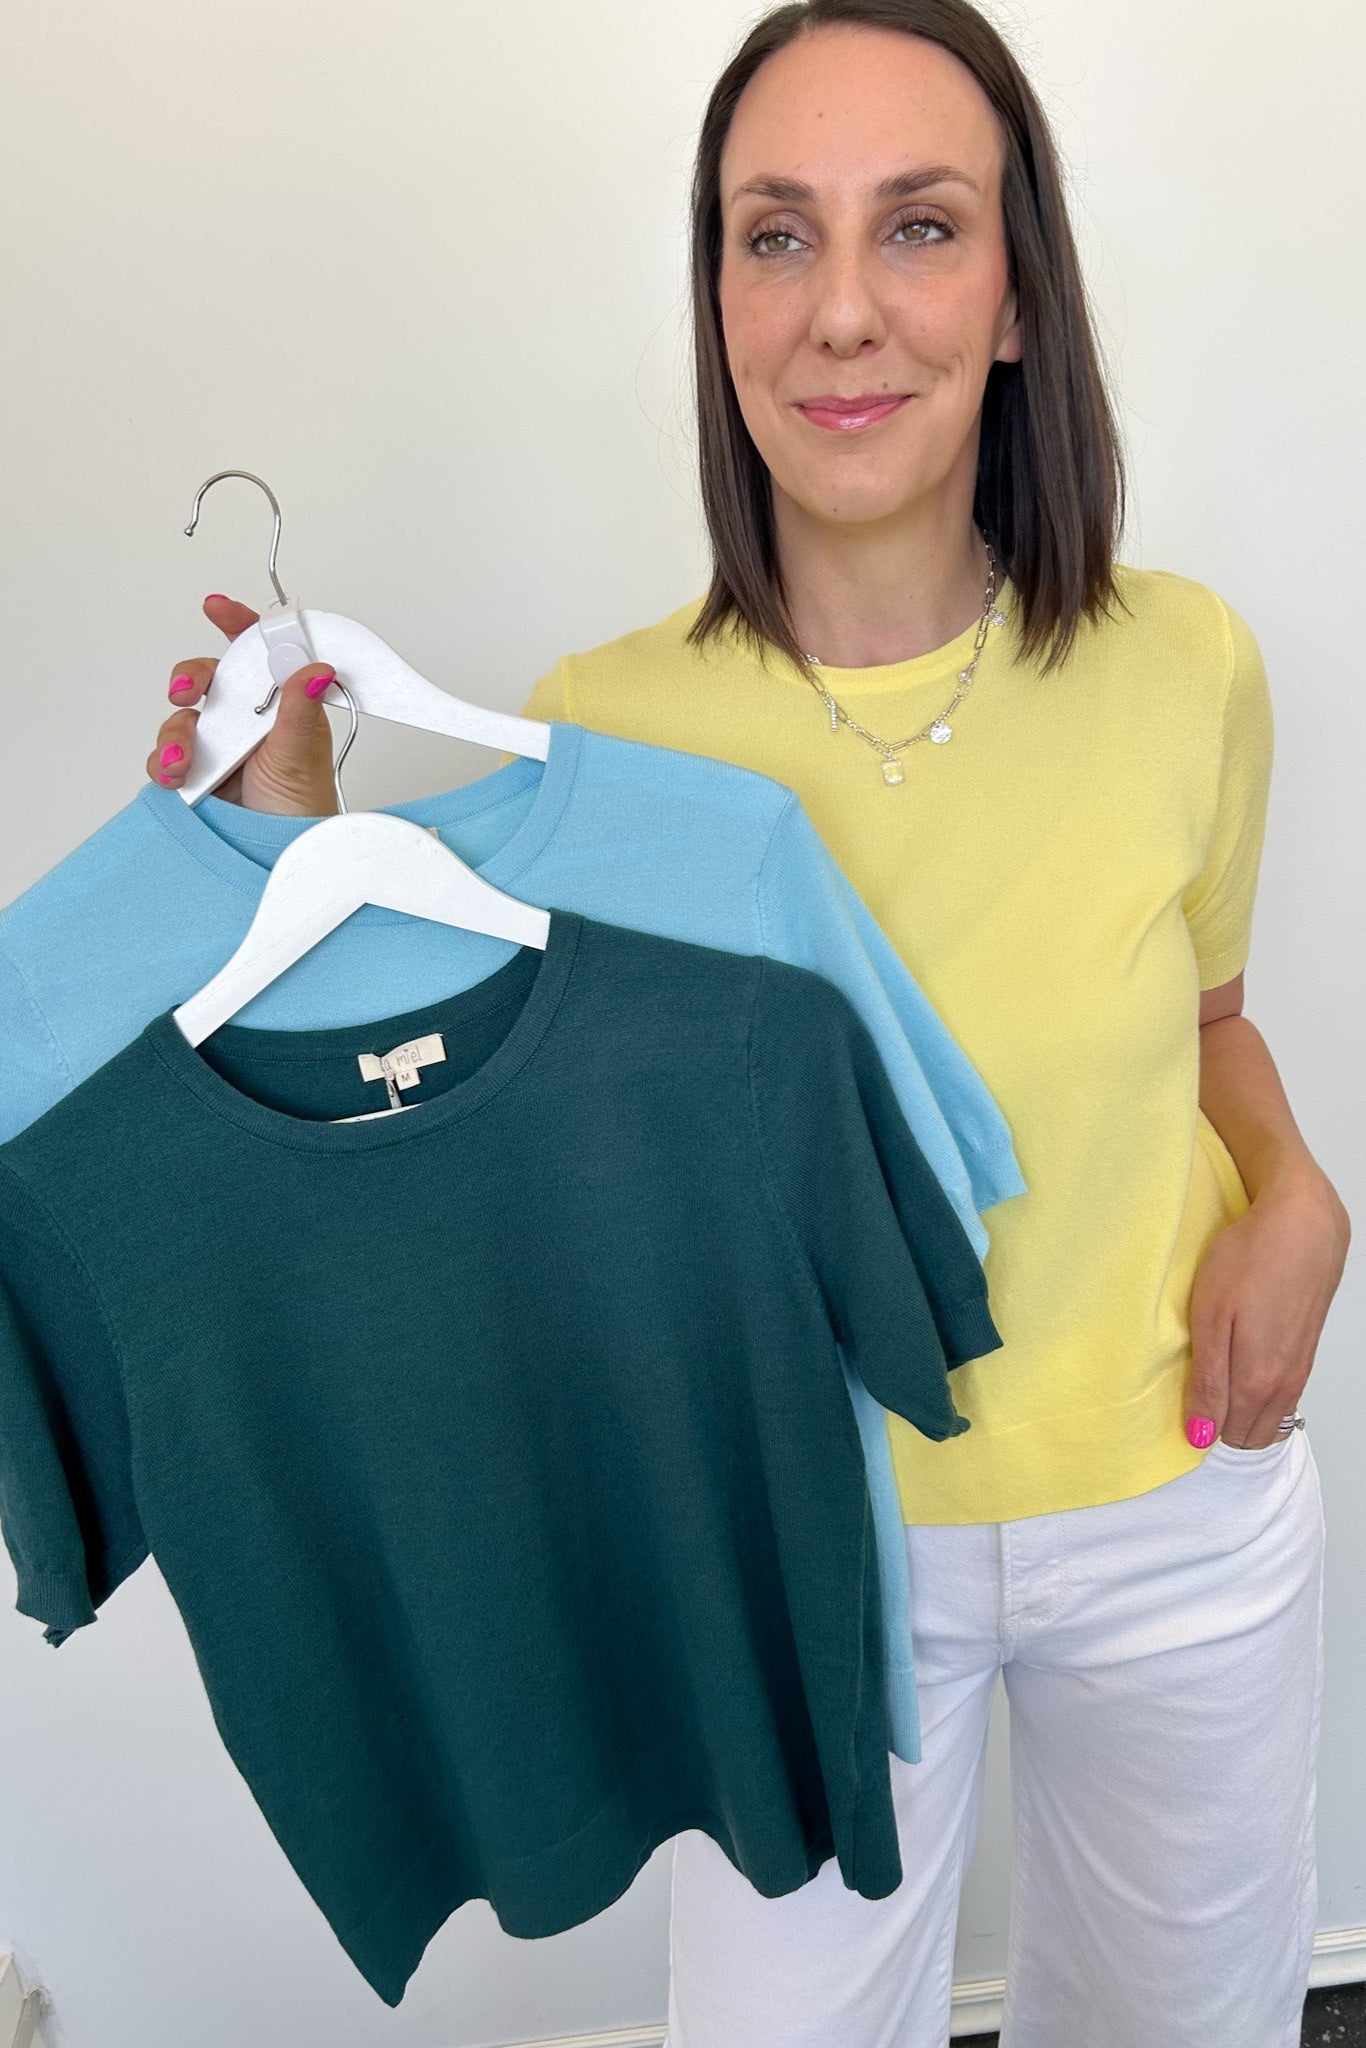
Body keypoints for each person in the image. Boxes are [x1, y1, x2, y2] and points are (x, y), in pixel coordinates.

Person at [145, 3, 1350, 2041]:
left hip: (1169, 1500)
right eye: (774, 236)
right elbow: (459, 1154)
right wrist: (302, 861)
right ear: (715, 300)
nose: (844, 312)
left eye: (920, 227)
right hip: (791, 1546)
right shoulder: (603, 735)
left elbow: (1204, 1012)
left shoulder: (1185, 665)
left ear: (1015, 298)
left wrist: (1299, 1184)